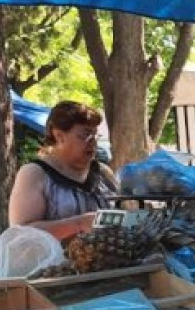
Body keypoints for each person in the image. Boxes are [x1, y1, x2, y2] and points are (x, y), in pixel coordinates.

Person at [8, 101, 118, 240]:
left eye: (96, 135)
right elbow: (22, 233)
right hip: (53, 262)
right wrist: (79, 224)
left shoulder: (104, 173)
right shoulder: (34, 174)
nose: (93, 142)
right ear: (59, 136)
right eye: (85, 135)